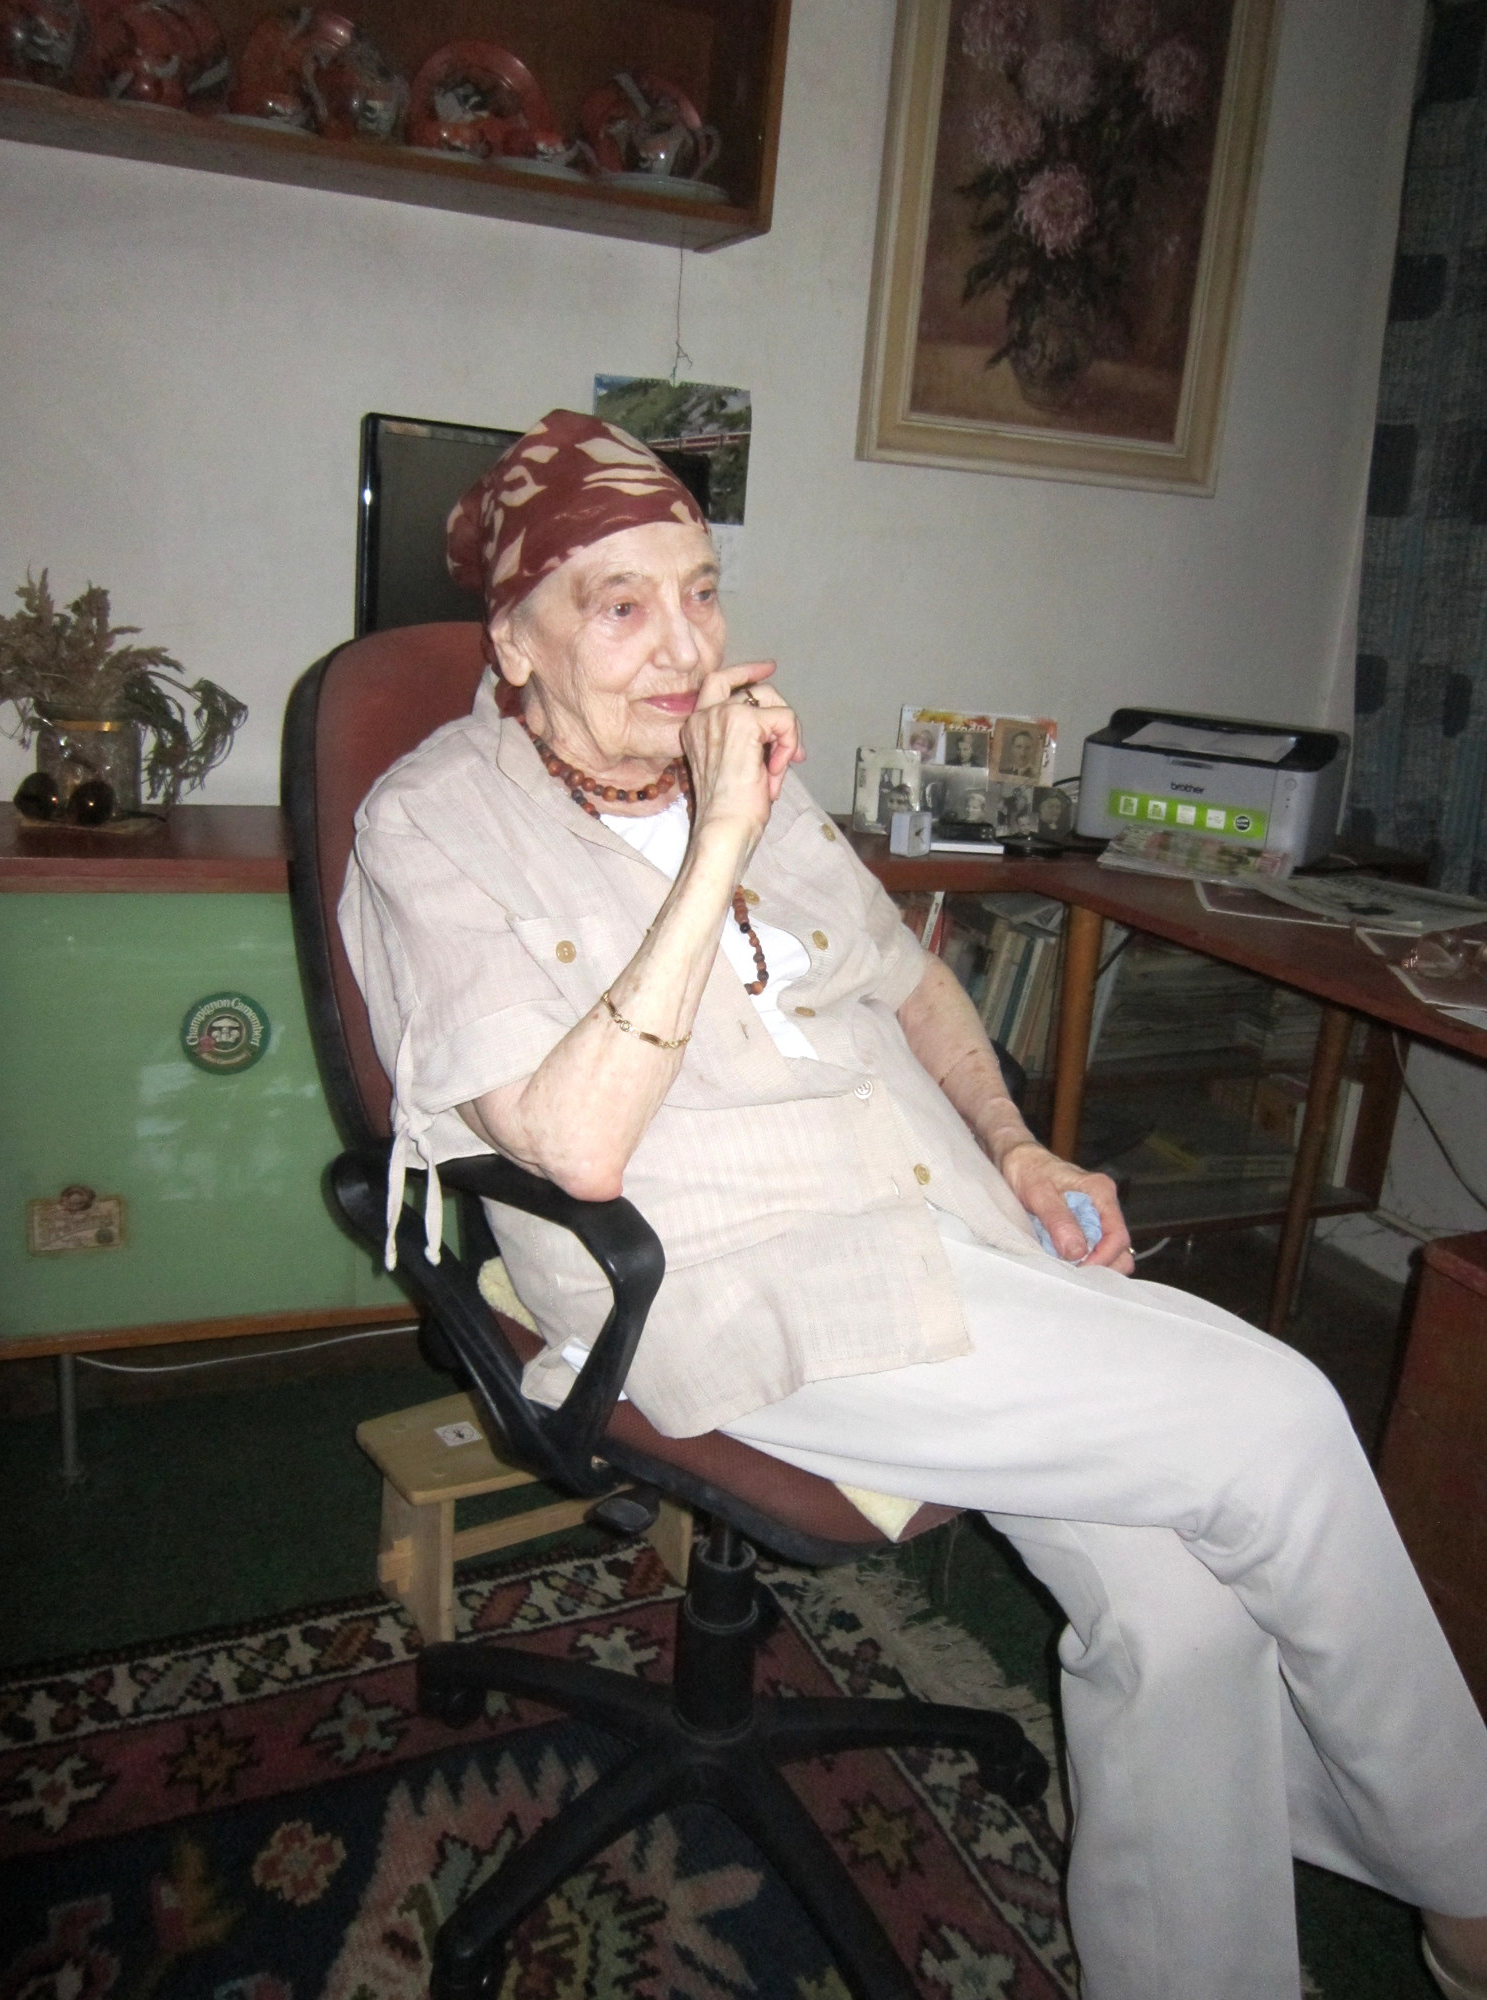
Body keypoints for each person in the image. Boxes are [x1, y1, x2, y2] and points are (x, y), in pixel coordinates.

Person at [340, 411, 1487, 2000]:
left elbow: (915, 984)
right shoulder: (433, 823)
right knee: (1278, 1419)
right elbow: (575, 1148)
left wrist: (1019, 1151)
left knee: (1183, 1616)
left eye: (702, 591)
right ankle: (1469, 1886)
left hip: (948, 1224)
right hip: (733, 1278)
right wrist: (715, 839)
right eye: (621, 605)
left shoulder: (749, 771)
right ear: (516, 642)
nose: (684, 646)